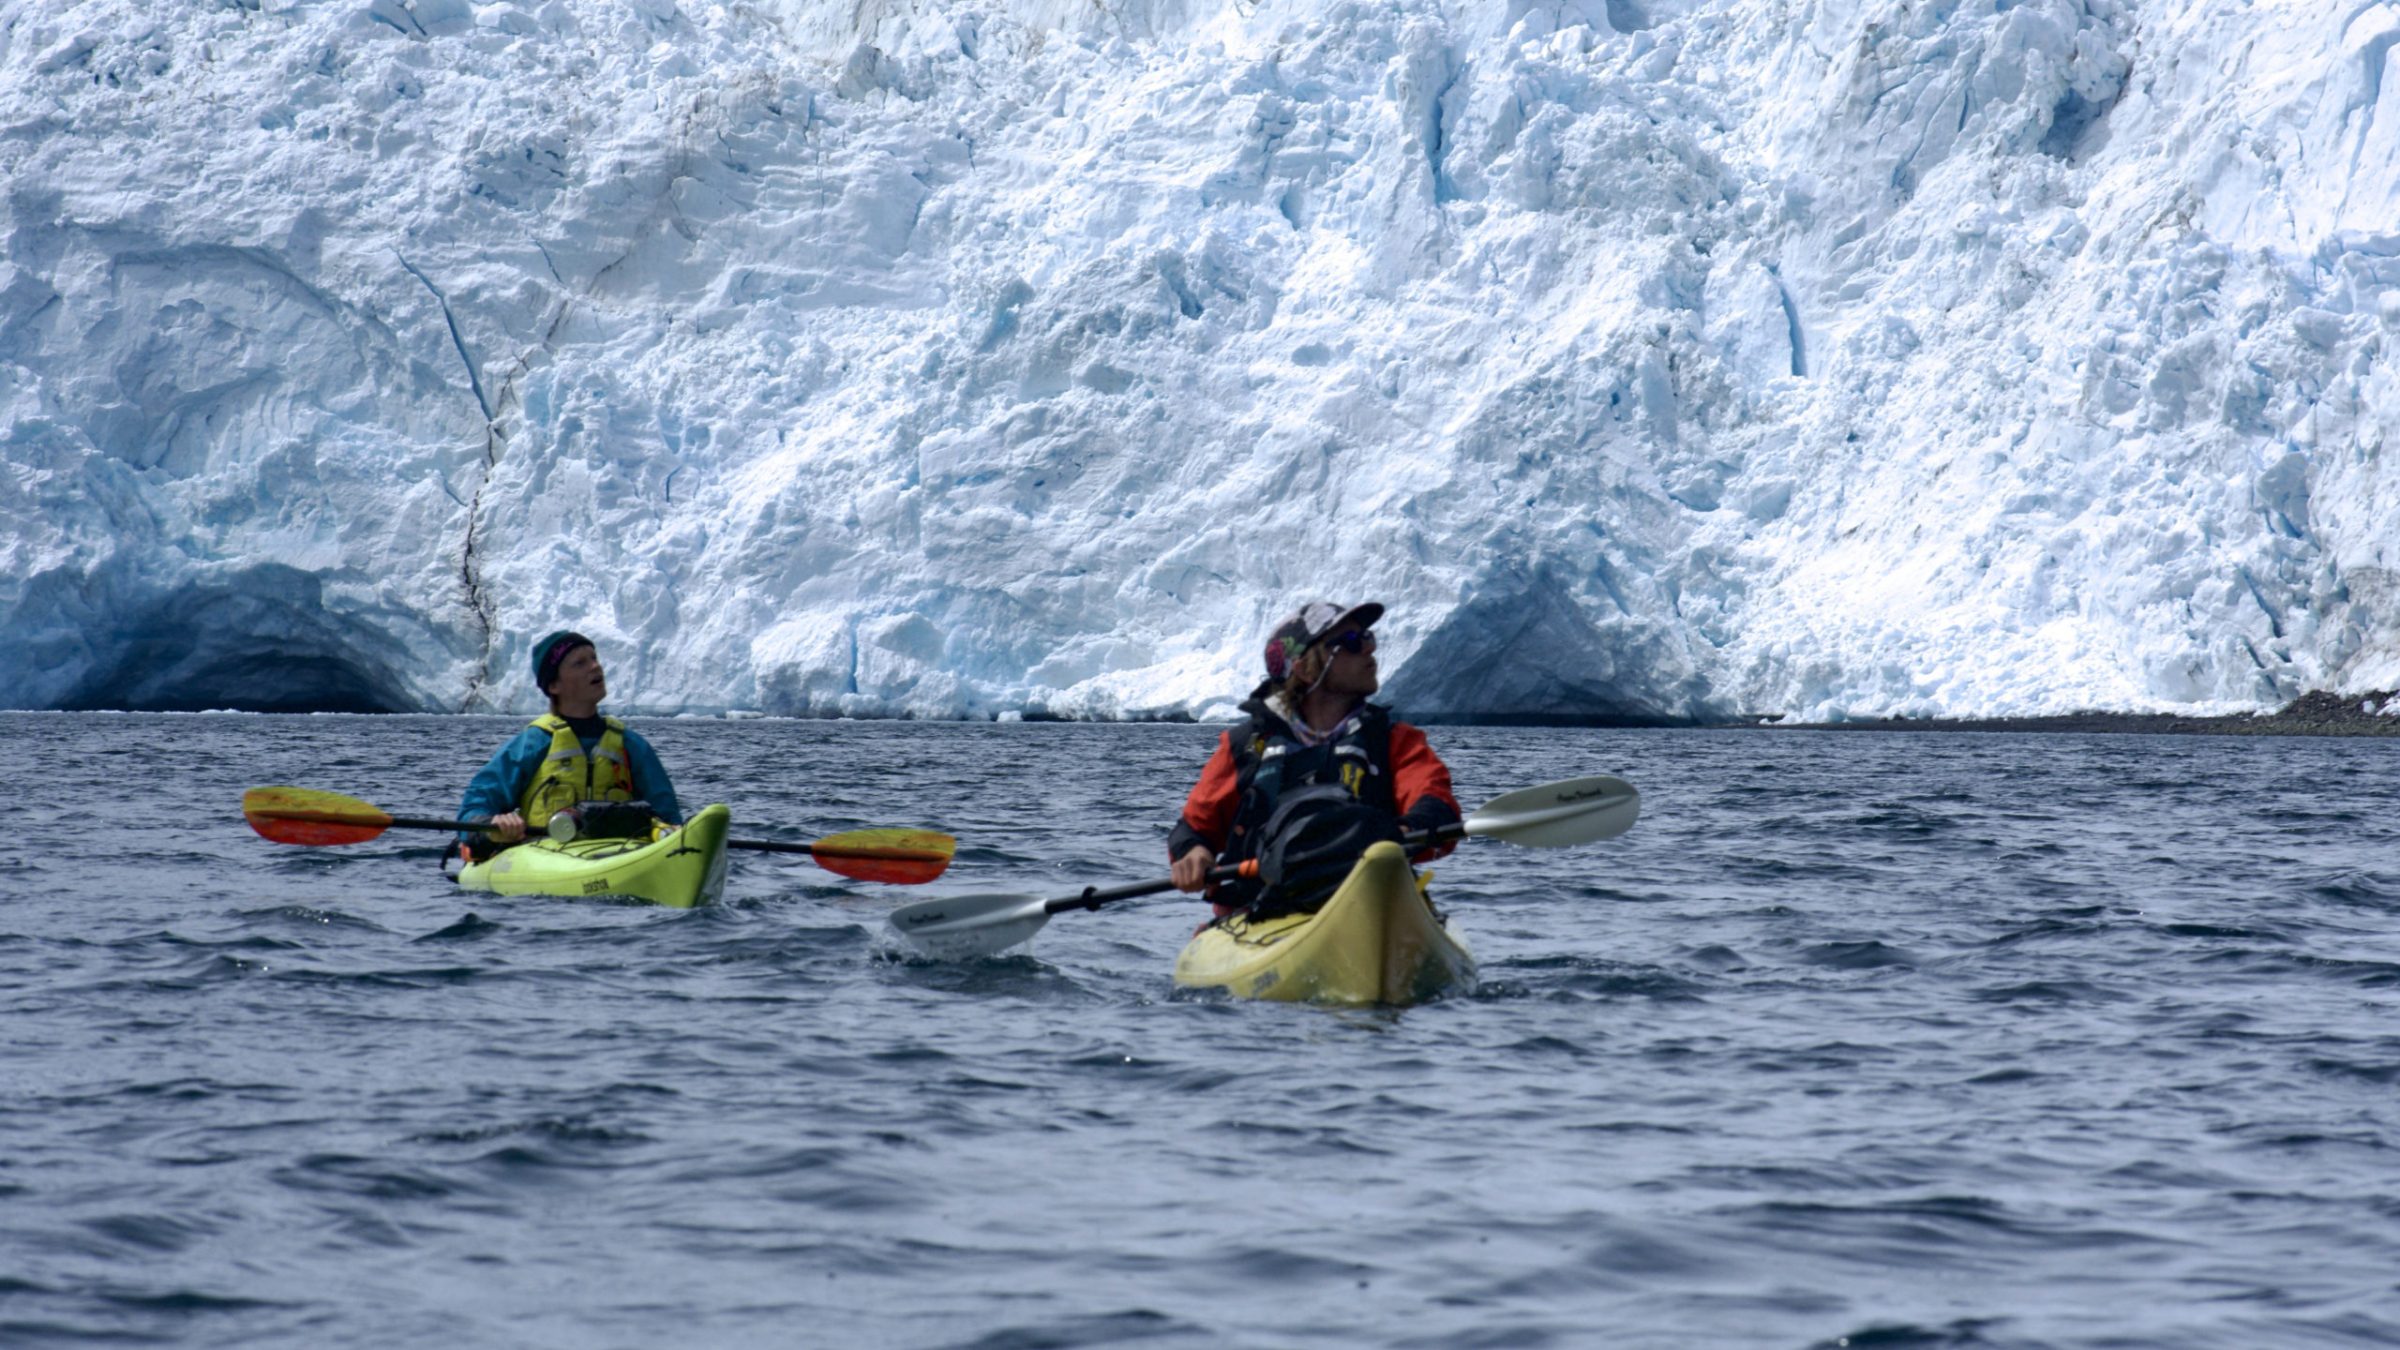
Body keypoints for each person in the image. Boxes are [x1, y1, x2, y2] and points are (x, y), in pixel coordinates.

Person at [1167, 601, 1461, 915]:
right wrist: (1194, 852)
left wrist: (1407, 832)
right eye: (1350, 642)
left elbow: (1434, 802)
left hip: (1371, 907)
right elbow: (1193, 829)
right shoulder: (1244, 747)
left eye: (1368, 637)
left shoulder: (1395, 741)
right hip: (1258, 910)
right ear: (1305, 668)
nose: (1368, 649)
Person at [457, 631, 683, 855]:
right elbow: (472, 809)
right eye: (580, 663)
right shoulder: (533, 743)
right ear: (554, 685)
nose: (595, 667)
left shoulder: (631, 745)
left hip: (619, 856)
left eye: (594, 658)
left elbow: (668, 817)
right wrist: (495, 824)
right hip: (545, 856)